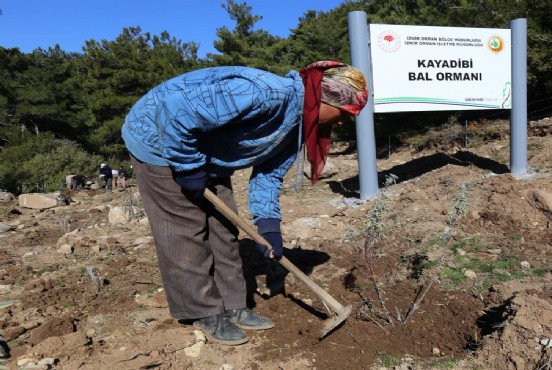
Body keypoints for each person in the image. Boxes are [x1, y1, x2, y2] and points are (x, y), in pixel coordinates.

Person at [121, 61, 368, 345]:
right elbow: (174, 112)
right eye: (345, 113)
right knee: (184, 230)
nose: (341, 122)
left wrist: (269, 226)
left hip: (207, 153)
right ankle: (203, 311)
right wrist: (188, 167)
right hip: (160, 142)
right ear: (324, 98)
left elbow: (269, 176)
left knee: (225, 228)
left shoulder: (297, 126)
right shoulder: (263, 93)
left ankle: (233, 304)